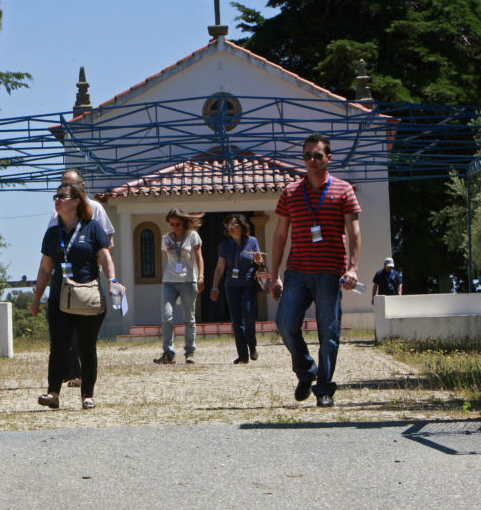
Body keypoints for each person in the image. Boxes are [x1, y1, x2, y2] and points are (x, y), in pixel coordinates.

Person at [269, 133, 361, 408]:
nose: (311, 160)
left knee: (328, 332)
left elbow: (354, 231)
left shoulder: (344, 190)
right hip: (297, 270)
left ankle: (324, 388)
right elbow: (280, 235)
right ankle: (306, 370)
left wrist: (353, 268)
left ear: (328, 158)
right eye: (307, 155)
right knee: (285, 325)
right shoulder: (290, 192)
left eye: (317, 155)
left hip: (330, 272)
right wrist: (275, 274)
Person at [30, 182, 122, 409]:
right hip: (59, 298)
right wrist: (36, 299)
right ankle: (53, 394)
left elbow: (104, 257)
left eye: (62, 196)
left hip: (88, 297)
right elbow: (45, 269)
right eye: (56, 197)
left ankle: (87, 395)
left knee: (86, 346)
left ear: (76, 201)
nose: (57, 200)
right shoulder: (52, 233)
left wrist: (113, 281)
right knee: (59, 346)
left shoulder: (93, 228)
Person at [46, 169, 115, 388]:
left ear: (81, 188)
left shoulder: (96, 210)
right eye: (62, 185)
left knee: (83, 332)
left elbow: (107, 242)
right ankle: (71, 373)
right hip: (64, 282)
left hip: (87, 281)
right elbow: (50, 249)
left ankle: (85, 383)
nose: (62, 191)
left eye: (69, 185)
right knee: (63, 333)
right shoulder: (55, 213)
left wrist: (95, 264)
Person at [154, 208, 204, 365]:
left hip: (188, 282)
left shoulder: (192, 236)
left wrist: (201, 276)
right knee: (167, 316)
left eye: (178, 224)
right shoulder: (166, 238)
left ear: (184, 223)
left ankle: (190, 352)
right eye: (172, 224)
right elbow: (168, 259)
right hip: (169, 282)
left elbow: (199, 257)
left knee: (189, 318)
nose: (175, 227)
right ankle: (168, 353)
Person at [210, 213, 261, 364]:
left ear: (242, 226)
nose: (230, 228)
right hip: (231, 286)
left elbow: (260, 264)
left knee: (249, 315)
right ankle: (243, 355)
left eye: (234, 225)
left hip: (248, 284)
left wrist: (260, 260)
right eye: (228, 225)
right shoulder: (224, 245)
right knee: (236, 320)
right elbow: (220, 268)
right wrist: (214, 287)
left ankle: (252, 345)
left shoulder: (252, 242)